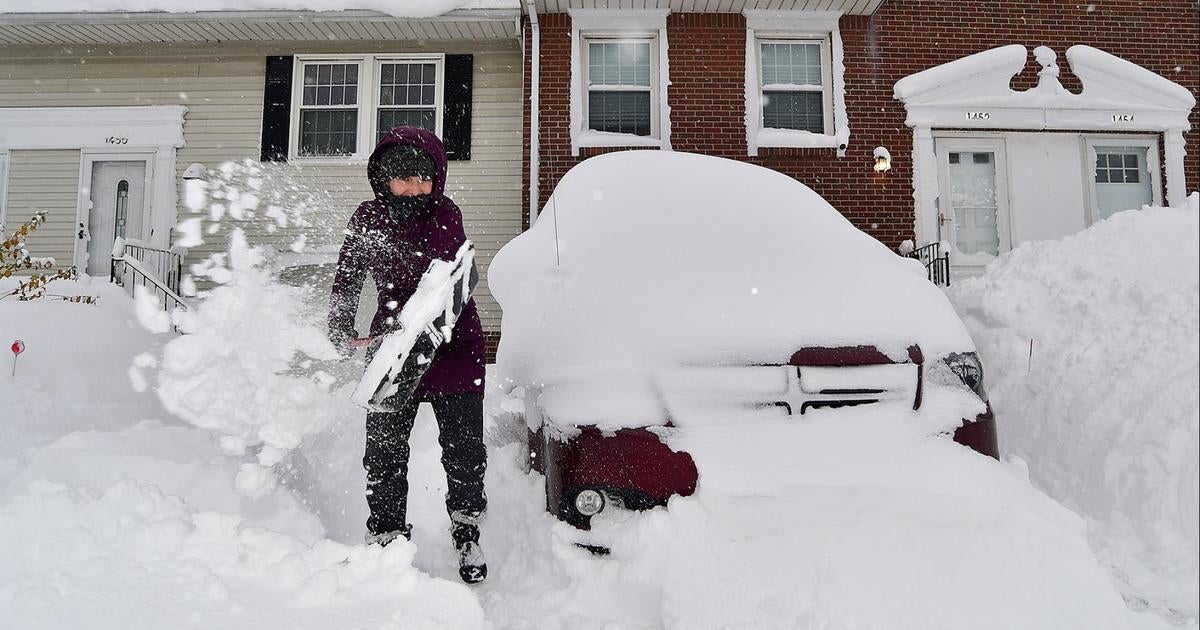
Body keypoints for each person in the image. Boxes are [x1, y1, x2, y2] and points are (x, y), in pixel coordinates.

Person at [328, 126, 488, 584]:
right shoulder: (367, 218)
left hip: (453, 346)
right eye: (402, 178)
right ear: (382, 179)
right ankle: (386, 533)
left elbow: (439, 282)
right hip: (392, 352)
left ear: (436, 178)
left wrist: (402, 326)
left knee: (463, 449)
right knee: (383, 452)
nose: (414, 188)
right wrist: (341, 323)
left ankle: (466, 524)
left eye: (423, 178)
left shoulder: (445, 214)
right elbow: (348, 276)